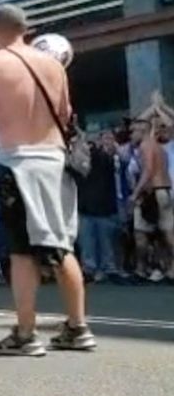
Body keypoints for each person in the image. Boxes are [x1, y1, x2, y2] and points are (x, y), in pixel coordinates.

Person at [0, 4, 94, 356]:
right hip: (55, 161)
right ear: (26, 29)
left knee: (21, 251)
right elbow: (65, 115)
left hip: (17, 162)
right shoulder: (54, 65)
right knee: (61, 245)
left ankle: (25, 333)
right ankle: (78, 328)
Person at [128, 118, 174, 281]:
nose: (131, 135)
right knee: (168, 232)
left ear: (142, 131)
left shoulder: (145, 146)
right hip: (165, 191)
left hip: (152, 192)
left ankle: (141, 270)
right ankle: (170, 269)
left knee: (140, 233)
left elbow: (147, 170)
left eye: (133, 131)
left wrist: (136, 193)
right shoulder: (160, 148)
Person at [75, 131, 120, 282]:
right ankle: (97, 268)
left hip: (98, 207)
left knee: (99, 241)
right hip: (92, 207)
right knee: (94, 241)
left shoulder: (101, 158)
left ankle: (101, 268)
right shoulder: (81, 163)